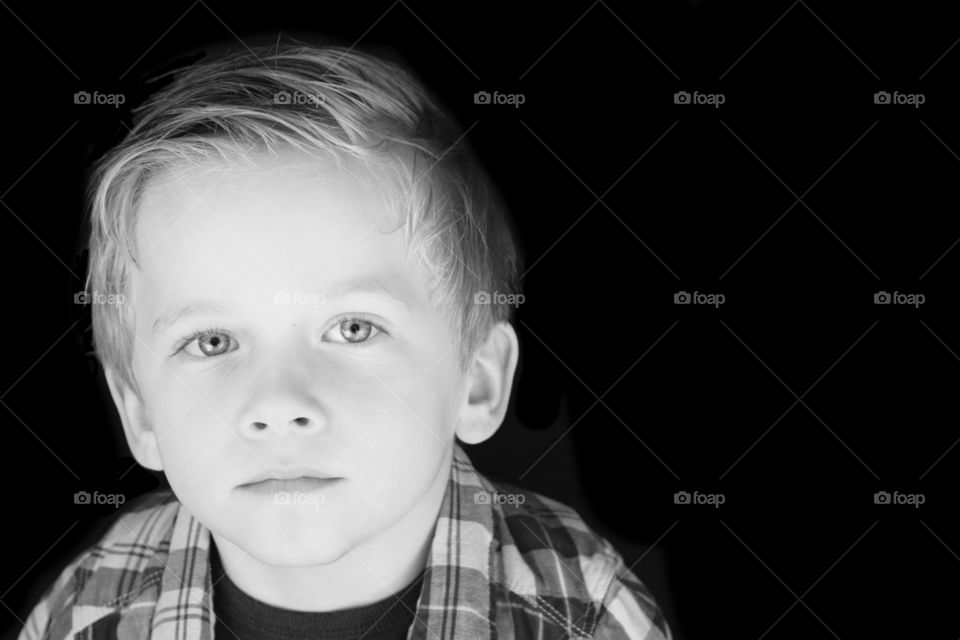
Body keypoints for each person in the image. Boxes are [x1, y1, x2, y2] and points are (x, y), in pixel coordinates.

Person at [19, 41, 672, 640]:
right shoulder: (87, 611)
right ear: (140, 413)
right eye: (212, 341)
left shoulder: (581, 609)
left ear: (476, 379)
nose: (277, 402)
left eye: (353, 329)